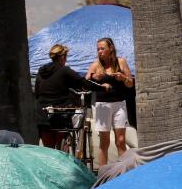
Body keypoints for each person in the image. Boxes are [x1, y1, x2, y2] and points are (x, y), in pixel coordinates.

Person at [34, 44, 109, 149]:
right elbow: (83, 83)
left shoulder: (41, 71)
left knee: (49, 149)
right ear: (62, 57)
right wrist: (103, 88)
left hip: (42, 114)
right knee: (61, 145)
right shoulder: (65, 70)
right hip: (60, 113)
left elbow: (37, 92)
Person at [86, 37, 134, 168]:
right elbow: (85, 84)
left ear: (111, 48)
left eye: (102, 48)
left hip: (119, 104)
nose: (99, 51)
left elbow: (130, 84)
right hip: (103, 105)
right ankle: (103, 173)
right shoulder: (96, 65)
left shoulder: (121, 62)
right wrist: (94, 78)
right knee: (104, 142)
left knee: (121, 140)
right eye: (98, 49)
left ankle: (124, 171)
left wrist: (123, 77)